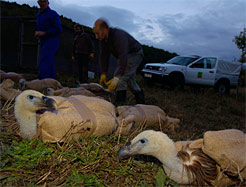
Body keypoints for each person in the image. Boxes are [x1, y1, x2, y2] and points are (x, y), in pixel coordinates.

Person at [93, 18, 145, 105]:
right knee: (129, 80)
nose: (96, 36)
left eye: (98, 33)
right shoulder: (103, 40)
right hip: (125, 56)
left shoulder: (119, 36)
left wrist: (117, 78)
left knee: (121, 78)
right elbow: (103, 56)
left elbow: (123, 56)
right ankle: (141, 101)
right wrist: (104, 73)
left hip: (134, 54)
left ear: (105, 29)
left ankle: (120, 103)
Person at [35, 0, 62, 80]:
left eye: (44, 1)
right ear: (38, 3)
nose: (42, 3)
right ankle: (50, 81)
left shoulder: (53, 14)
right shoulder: (39, 14)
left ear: (48, 3)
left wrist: (44, 33)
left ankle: (42, 80)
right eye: (41, 2)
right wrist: (38, 33)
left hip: (52, 40)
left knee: (45, 59)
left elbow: (58, 29)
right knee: (48, 61)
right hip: (43, 41)